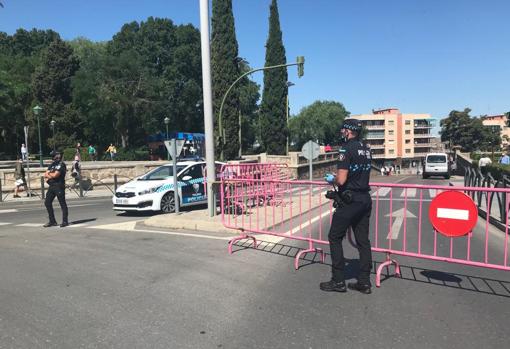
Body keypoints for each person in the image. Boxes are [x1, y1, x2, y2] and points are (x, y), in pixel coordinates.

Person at [321, 119, 373, 294]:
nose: (342, 132)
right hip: (365, 198)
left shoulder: (346, 149)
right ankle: (364, 282)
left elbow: (342, 180)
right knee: (363, 241)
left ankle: (338, 281)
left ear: (349, 131)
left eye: (343, 129)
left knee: (334, 237)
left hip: (350, 200)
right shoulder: (366, 149)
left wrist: (332, 179)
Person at [43, 150, 69, 228]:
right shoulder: (52, 164)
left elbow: (55, 175)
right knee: (47, 202)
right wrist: (49, 175)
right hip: (52, 186)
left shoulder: (61, 164)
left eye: (54, 156)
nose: (53, 158)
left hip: (59, 186)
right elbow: (45, 174)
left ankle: (65, 221)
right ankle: (52, 221)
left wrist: (49, 175)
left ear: (58, 156)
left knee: (62, 203)